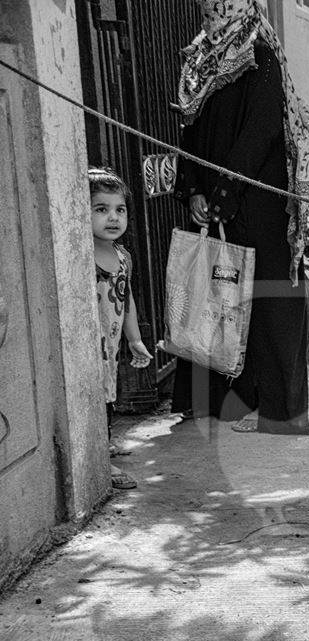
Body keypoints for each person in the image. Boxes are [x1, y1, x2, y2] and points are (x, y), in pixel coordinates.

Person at [171, 0, 309, 435]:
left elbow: (262, 129)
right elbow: (188, 129)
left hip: (258, 198)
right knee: (212, 291)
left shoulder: (259, 52)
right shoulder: (199, 58)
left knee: (268, 296)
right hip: (211, 199)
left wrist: (225, 192)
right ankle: (218, 402)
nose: (214, 11)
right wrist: (194, 190)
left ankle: (279, 411)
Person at [89, 167, 153, 490]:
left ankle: (105, 442)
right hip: (90, 348)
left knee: (109, 397)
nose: (112, 218)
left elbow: (126, 299)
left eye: (120, 210)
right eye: (101, 209)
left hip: (111, 347)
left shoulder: (123, 257)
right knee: (96, 398)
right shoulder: (84, 255)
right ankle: (103, 463)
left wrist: (135, 339)